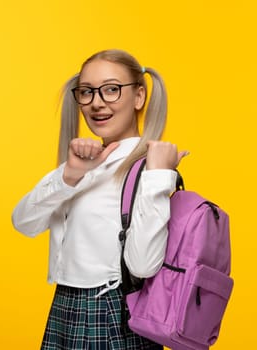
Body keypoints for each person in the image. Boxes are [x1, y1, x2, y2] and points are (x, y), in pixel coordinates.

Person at [12, 49, 187, 350]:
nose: (96, 103)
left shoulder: (147, 168)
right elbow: (23, 222)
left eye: (111, 90)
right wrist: (70, 175)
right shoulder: (82, 163)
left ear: (139, 97)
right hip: (67, 306)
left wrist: (159, 176)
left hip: (112, 314)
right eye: (87, 92)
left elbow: (143, 267)